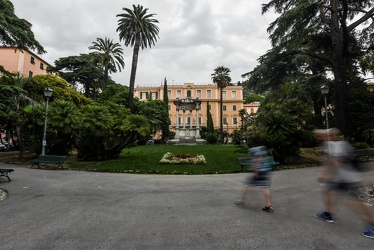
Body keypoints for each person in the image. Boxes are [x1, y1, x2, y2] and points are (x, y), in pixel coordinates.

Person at [314, 128, 374, 239]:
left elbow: (334, 161)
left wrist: (324, 175)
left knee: (357, 202)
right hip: (341, 178)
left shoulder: (333, 145)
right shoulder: (341, 144)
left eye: (322, 135)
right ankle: (328, 213)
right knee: (326, 190)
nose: (320, 138)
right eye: (319, 136)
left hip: (349, 179)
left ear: (331, 136)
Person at [235, 146, 275, 212]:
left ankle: (241, 200)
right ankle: (268, 204)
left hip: (259, 171)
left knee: (248, 184)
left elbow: (256, 160)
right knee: (265, 187)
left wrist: (256, 172)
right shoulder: (263, 148)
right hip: (266, 170)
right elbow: (268, 158)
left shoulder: (254, 150)